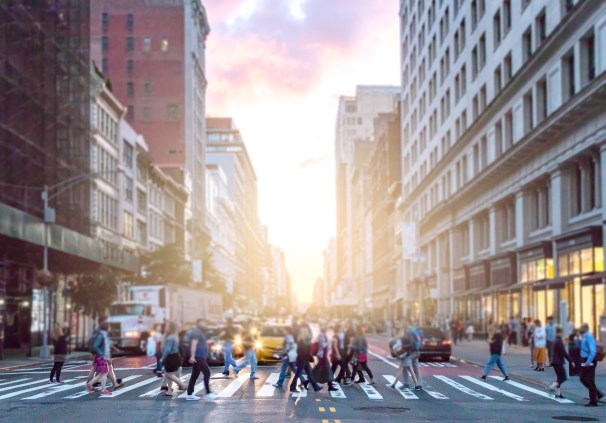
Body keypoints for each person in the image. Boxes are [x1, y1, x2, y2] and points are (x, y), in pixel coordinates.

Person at [184, 319, 216, 401]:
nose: (205, 324)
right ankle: (208, 393)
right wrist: (192, 356)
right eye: (203, 323)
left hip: (200, 356)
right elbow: (194, 344)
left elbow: (201, 342)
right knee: (207, 372)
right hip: (198, 357)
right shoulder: (196, 332)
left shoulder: (200, 332)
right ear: (199, 323)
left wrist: (209, 342)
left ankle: (190, 394)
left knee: (194, 375)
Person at [290, 327, 322, 393]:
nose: (308, 333)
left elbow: (307, 350)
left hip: (305, 360)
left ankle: (316, 387)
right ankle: (292, 387)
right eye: (306, 332)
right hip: (302, 360)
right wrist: (304, 359)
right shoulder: (301, 341)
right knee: (298, 374)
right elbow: (300, 352)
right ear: (304, 333)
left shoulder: (304, 340)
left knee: (310, 374)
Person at [388, 325, 419, 390]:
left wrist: (400, 349)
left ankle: (394, 384)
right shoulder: (405, 337)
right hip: (407, 355)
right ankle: (416, 384)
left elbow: (400, 346)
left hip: (406, 356)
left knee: (400, 370)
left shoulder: (404, 337)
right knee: (410, 370)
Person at [160, 322, 187, 396]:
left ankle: (182, 384)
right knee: (170, 373)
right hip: (176, 356)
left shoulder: (170, 337)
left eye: (167, 326)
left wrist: (163, 358)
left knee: (168, 374)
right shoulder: (175, 336)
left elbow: (167, 349)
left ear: (170, 328)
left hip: (170, 357)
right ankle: (169, 391)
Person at [86, 320, 112, 396]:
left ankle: (102, 389)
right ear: (107, 327)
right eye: (109, 326)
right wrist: (102, 354)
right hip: (101, 356)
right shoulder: (102, 335)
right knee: (104, 372)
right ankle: (91, 384)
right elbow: (96, 346)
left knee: (104, 372)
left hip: (101, 356)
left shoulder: (103, 334)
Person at [579, 323, 602, 407]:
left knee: (589, 380)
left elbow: (593, 350)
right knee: (583, 378)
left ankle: (593, 401)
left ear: (585, 328)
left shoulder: (588, 336)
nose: (580, 329)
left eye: (581, 327)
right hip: (585, 359)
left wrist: (589, 361)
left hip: (589, 360)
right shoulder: (584, 336)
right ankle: (598, 395)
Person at [549, 326, 574, 399]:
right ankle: (553, 386)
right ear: (560, 332)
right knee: (563, 377)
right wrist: (571, 361)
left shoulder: (554, 340)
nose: (563, 334)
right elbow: (564, 353)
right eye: (562, 332)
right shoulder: (559, 341)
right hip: (558, 362)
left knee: (559, 377)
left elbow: (552, 352)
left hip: (554, 361)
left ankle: (558, 394)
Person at [312, 324, 338, 391]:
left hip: (323, 355)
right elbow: (323, 345)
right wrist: (330, 341)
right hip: (321, 355)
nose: (326, 329)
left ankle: (307, 381)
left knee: (318, 371)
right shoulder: (321, 335)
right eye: (325, 328)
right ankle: (330, 386)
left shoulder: (323, 334)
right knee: (328, 371)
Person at [402, 324, 423, 389]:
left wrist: (404, 347)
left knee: (405, 367)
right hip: (417, 351)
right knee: (416, 367)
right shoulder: (414, 332)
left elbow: (410, 343)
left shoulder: (407, 333)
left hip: (410, 352)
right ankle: (419, 383)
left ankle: (406, 382)